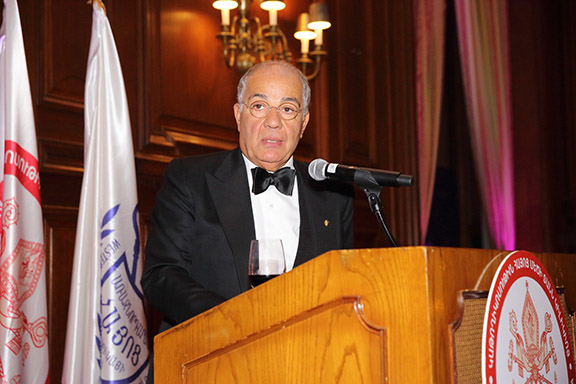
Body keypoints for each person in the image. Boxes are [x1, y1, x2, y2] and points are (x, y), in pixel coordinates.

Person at [142, 60, 354, 380]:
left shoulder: (335, 194)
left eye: (287, 109)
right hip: (206, 365)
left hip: (307, 367)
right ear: (239, 114)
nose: (273, 122)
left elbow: (343, 288)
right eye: (259, 106)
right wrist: (236, 320)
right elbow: (161, 276)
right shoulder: (189, 178)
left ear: (304, 121)